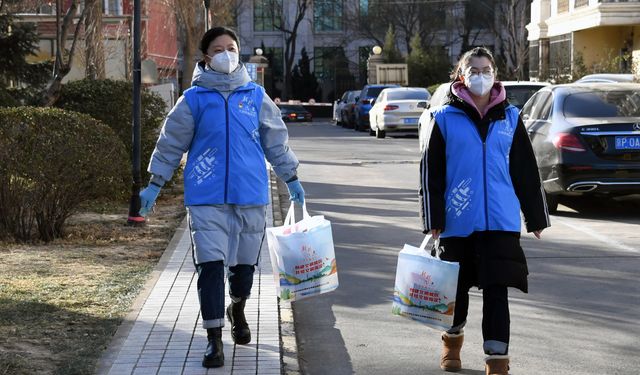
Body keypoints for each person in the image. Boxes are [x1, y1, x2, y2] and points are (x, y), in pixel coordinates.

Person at [137, 26, 305, 368]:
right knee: (210, 266)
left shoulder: (256, 96)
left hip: (250, 193)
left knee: (244, 267)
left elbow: (276, 142)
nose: (226, 53)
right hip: (205, 195)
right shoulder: (194, 100)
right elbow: (171, 143)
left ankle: (237, 309)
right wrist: (155, 183)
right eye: (218, 49)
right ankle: (214, 340)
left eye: (231, 47)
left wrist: (292, 178)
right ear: (206, 57)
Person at [419, 47, 550, 375]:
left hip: (500, 222)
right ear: (461, 75)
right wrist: (433, 220)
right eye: (473, 70)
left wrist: (535, 216)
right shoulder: (444, 118)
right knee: (456, 292)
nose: (480, 75)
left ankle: (497, 361)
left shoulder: (511, 118)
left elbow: (525, 170)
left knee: (497, 291)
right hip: (456, 221)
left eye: (485, 69)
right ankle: (452, 341)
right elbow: (431, 174)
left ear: (495, 74)